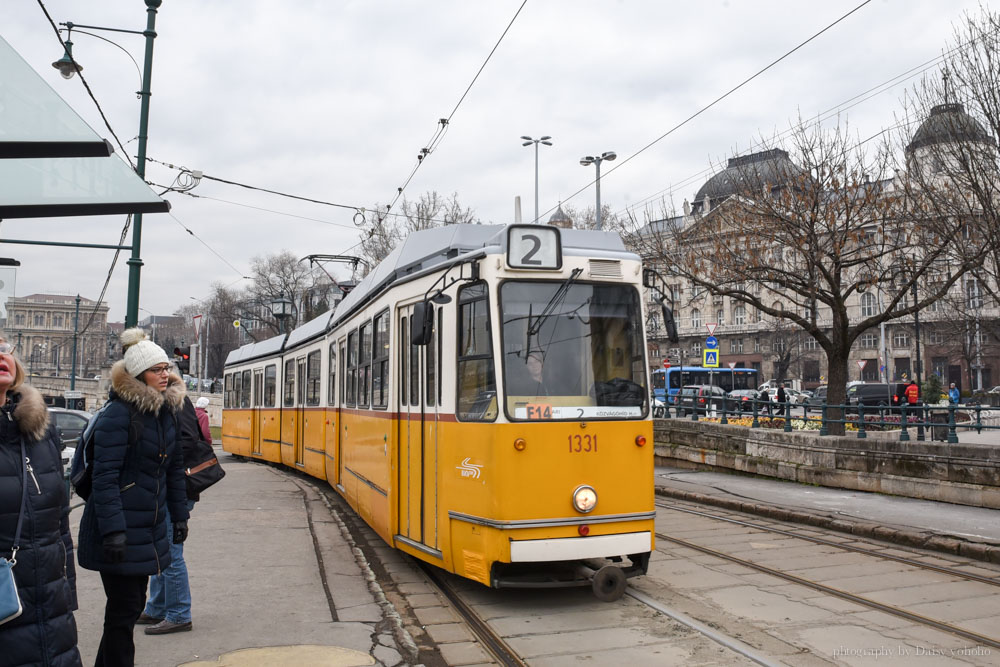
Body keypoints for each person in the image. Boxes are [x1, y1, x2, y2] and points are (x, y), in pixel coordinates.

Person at [78, 328, 190, 666]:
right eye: (157, 370)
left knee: (126, 610)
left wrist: (180, 515)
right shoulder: (118, 415)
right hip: (120, 531)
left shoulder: (164, 413)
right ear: (138, 374)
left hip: (147, 528)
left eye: (167, 368)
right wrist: (113, 531)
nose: (165, 375)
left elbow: (173, 468)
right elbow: (104, 477)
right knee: (124, 611)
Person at [0, 336, 82, 666]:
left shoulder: (39, 430)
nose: (2, 355)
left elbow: (59, 522)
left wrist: (68, 593)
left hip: (52, 609)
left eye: (5, 349)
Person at [138, 395, 203, 635]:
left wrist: (157, 455)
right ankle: (157, 606)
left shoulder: (175, 400)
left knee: (171, 553)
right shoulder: (160, 399)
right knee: (162, 548)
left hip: (177, 489)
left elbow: (188, 440)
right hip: (167, 488)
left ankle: (178, 614)